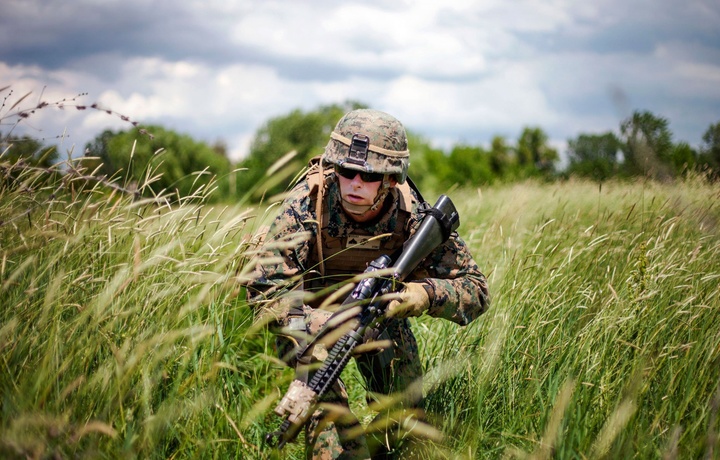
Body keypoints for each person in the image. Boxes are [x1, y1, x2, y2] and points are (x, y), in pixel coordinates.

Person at [247, 108, 489, 459]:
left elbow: (476, 289)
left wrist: (422, 295)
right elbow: (265, 290)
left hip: (376, 317)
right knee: (322, 402)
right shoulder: (307, 205)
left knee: (404, 419)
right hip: (307, 320)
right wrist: (310, 329)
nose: (355, 184)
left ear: (392, 178)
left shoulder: (413, 216)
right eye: (346, 171)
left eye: (369, 175)